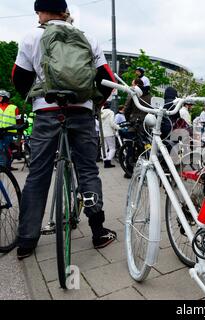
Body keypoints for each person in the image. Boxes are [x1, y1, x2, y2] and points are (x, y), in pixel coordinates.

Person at [12, 0, 117, 260]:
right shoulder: (87, 37)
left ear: (40, 12)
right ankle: (98, 231)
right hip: (81, 111)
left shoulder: (31, 37)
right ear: (64, 12)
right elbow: (107, 79)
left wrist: (37, 98)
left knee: (38, 174)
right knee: (87, 170)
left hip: (46, 110)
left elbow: (19, 78)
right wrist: (94, 104)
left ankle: (26, 240)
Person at [0, 90, 21, 170]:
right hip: (0, 132)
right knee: (1, 149)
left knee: (7, 149)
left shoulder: (14, 108)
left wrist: (19, 128)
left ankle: (6, 166)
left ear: (5, 98)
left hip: (9, 133)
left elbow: (18, 120)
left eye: (0, 97)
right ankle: (3, 166)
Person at [101, 104, 120, 168]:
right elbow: (112, 123)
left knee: (104, 148)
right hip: (109, 133)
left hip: (101, 133)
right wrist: (118, 127)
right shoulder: (110, 112)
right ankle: (108, 162)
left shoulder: (100, 113)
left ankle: (105, 161)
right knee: (112, 148)